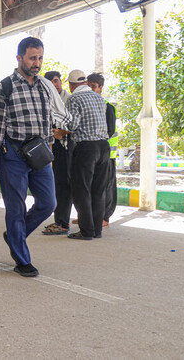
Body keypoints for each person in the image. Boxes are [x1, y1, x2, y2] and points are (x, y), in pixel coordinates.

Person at [0, 37, 70, 277]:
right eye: (32, 58)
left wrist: (49, 148)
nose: (37, 63)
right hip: (12, 156)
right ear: (19, 58)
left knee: (48, 203)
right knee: (16, 208)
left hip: (39, 153)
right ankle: (22, 259)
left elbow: (47, 121)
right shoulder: (4, 88)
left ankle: (14, 235)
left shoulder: (44, 86)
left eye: (40, 58)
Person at [61, 70, 110, 240]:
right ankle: (97, 230)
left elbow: (73, 125)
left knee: (81, 190)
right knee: (98, 190)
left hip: (86, 148)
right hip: (104, 147)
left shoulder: (74, 99)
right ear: (86, 82)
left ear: (71, 85)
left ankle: (86, 231)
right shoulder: (100, 98)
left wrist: (59, 130)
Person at [41, 71, 73, 235]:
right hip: (53, 147)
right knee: (57, 185)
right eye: (51, 82)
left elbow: (77, 124)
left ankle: (63, 223)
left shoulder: (69, 100)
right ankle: (59, 220)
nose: (55, 85)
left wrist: (62, 132)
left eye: (56, 81)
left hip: (66, 148)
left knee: (63, 185)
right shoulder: (47, 100)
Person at [87, 72, 117, 227]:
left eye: (94, 86)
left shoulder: (107, 107)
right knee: (93, 186)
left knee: (106, 186)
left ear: (100, 88)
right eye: (89, 86)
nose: (91, 89)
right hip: (95, 154)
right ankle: (91, 215)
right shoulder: (89, 105)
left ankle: (104, 217)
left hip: (107, 154)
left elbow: (110, 130)